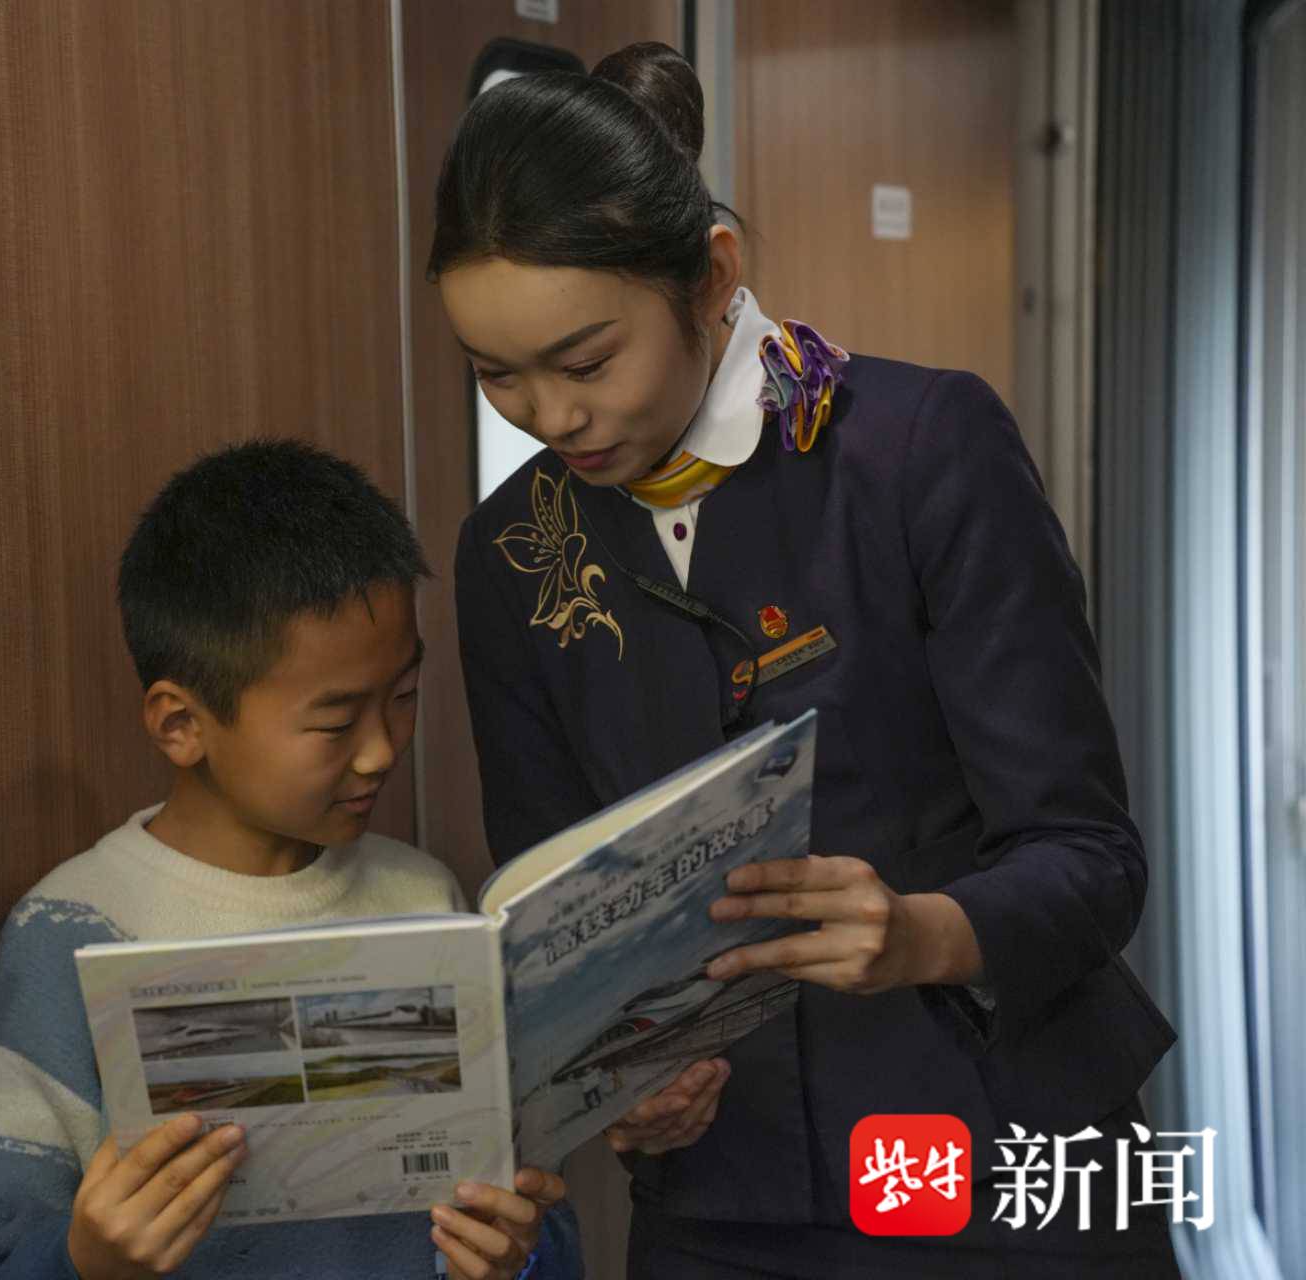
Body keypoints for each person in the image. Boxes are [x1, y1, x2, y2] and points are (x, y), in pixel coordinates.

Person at [430, 41, 1179, 1277]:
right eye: (496, 375)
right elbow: (548, 922)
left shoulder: (914, 451)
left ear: (713, 277)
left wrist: (924, 932)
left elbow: (1092, 856)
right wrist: (617, 1083)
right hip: (724, 1202)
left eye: (587, 361)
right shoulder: (512, 555)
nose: (552, 417)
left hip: (997, 1167)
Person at [0, 441, 581, 1280]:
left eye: (403, 697)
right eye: (335, 722)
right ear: (182, 725)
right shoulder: (70, 932)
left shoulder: (421, 896)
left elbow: (521, 1203)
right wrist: (88, 1261)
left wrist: (520, 1257)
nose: (380, 750)